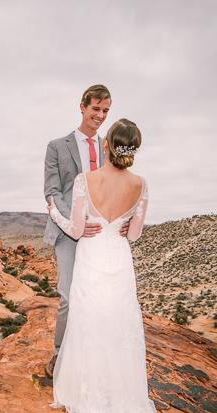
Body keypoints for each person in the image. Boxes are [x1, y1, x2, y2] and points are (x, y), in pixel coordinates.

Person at [46, 118, 208, 413]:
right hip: (118, 261)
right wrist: (120, 227)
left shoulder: (85, 181)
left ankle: (85, 391)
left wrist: (53, 210)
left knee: (91, 323)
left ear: (106, 147)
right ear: (133, 150)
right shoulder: (141, 185)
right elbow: (133, 234)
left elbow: (74, 229)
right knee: (118, 329)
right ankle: (121, 399)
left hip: (90, 258)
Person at [43, 84, 131, 377]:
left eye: (105, 111)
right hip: (69, 232)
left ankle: (91, 360)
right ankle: (59, 354)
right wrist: (77, 225)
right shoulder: (57, 146)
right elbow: (52, 192)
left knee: (97, 297)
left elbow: (121, 185)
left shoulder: (110, 146)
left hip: (102, 236)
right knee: (69, 296)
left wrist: (124, 217)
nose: (100, 116)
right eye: (95, 109)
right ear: (82, 107)